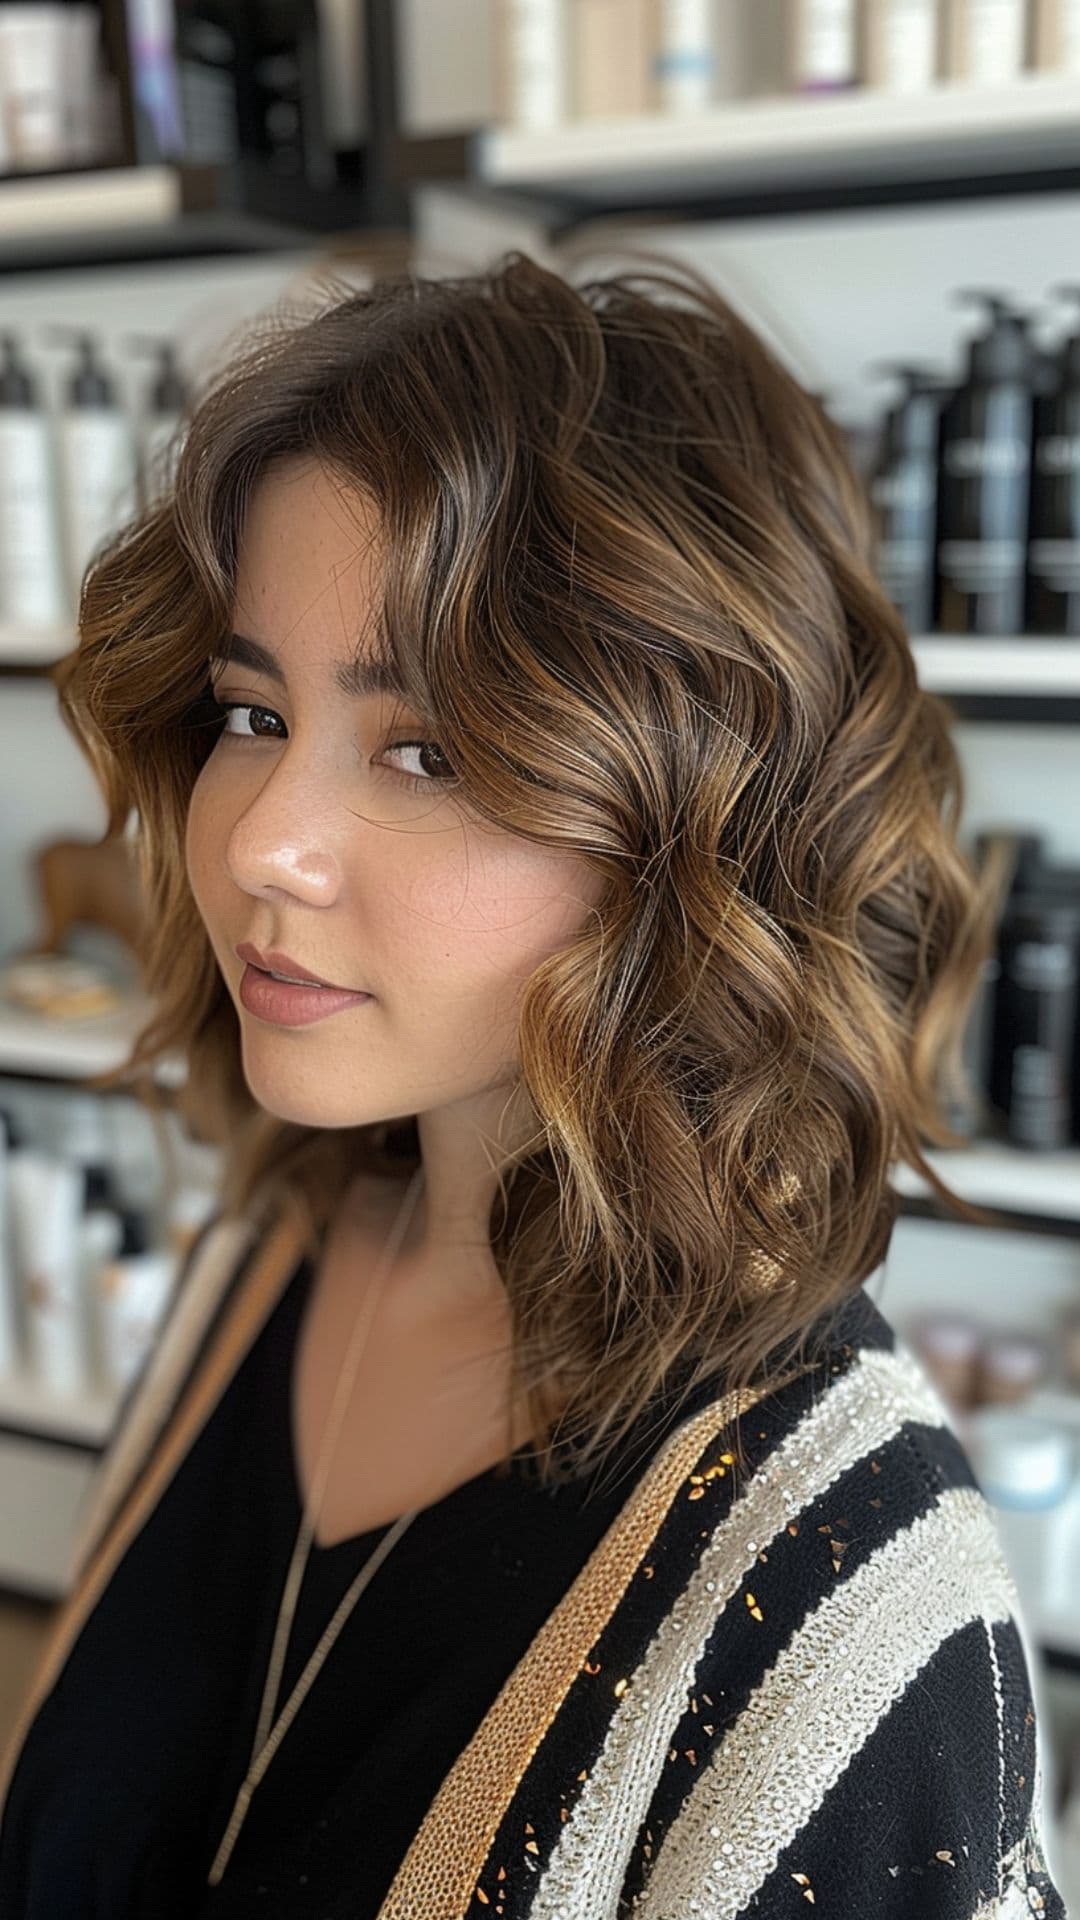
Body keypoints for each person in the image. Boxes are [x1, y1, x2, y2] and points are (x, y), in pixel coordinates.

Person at [0, 251, 1066, 1918]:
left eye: (427, 751)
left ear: (698, 830)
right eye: (248, 710)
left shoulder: (856, 1620)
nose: (264, 841)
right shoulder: (267, 1251)